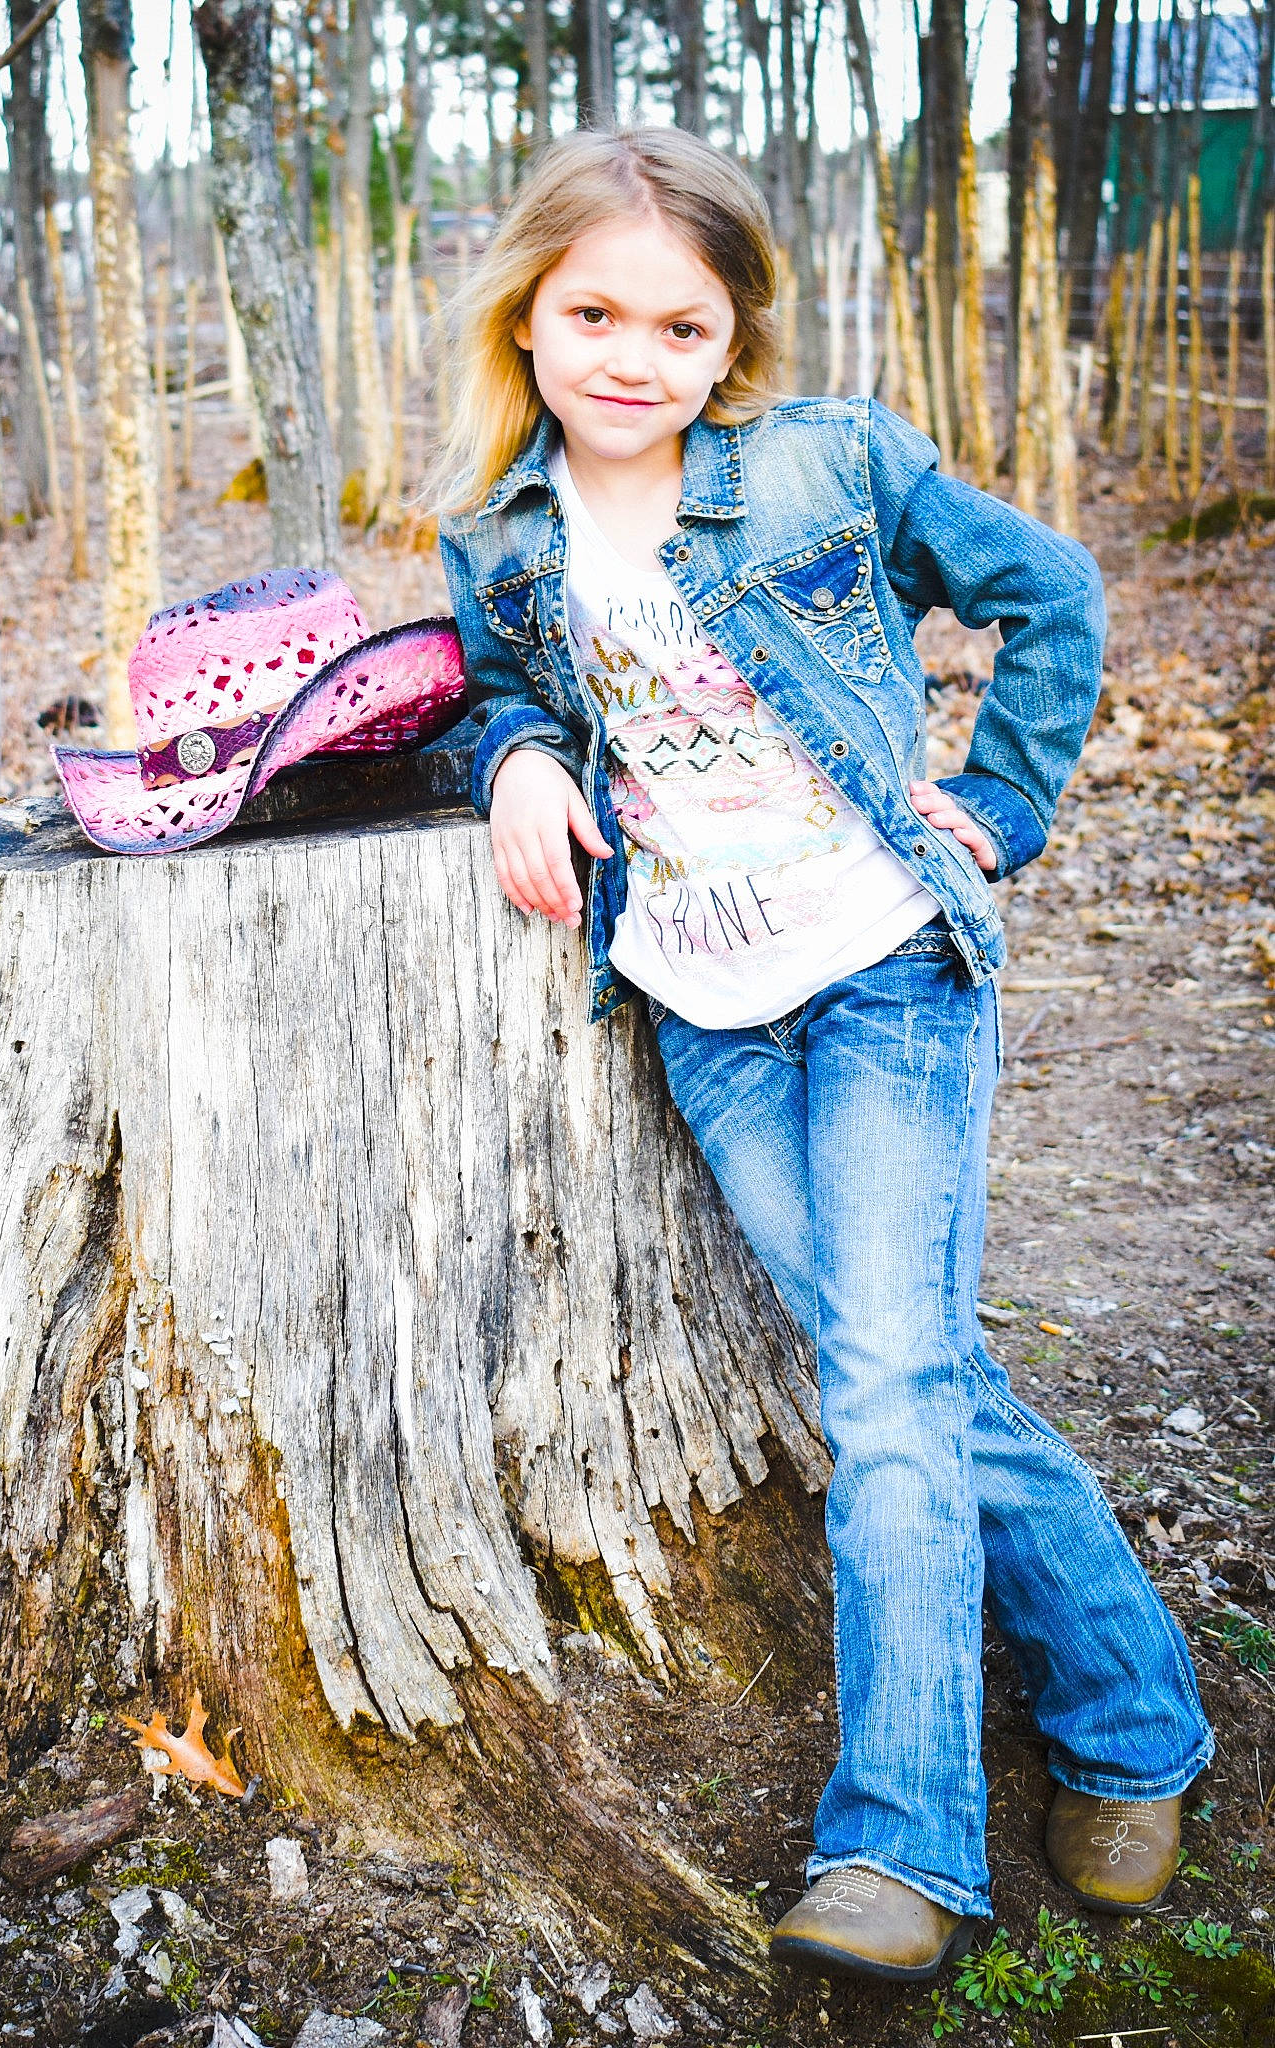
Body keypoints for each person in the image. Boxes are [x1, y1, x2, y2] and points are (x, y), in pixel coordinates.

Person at [431, 127, 1212, 1986]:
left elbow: (1050, 591)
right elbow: (503, 692)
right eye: (594, 313)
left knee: (881, 1398)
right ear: (528, 319)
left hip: (881, 972)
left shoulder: (823, 462)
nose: (634, 355)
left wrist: (1004, 799)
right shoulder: (499, 540)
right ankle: (1131, 1720)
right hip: (703, 1007)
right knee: (907, 1372)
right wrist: (519, 761)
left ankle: (899, 1849)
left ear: (730, 345)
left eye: (680, 326)